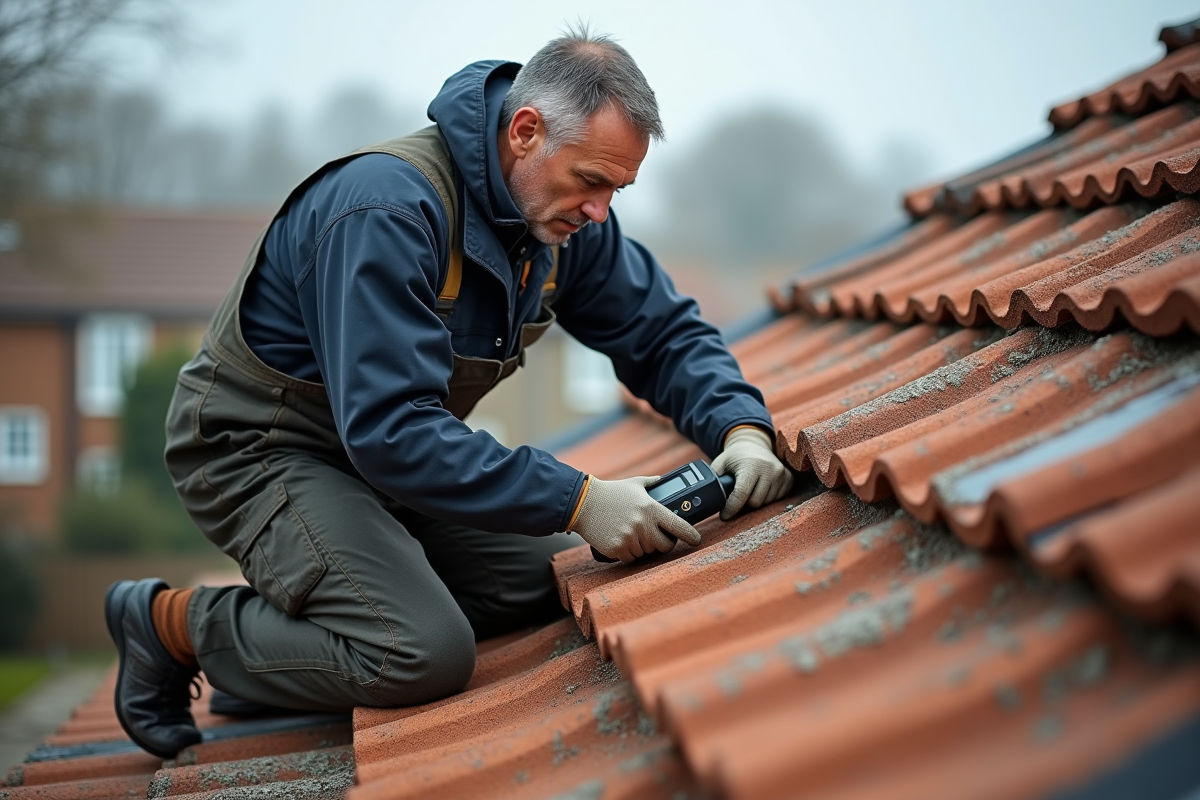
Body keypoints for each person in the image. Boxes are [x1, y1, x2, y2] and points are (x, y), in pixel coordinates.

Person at [103, 28, 794, 759]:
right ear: (525, 132)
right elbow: (393, 428)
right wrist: (581, 499)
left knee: (544, 579)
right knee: (419, 650)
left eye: (616, 191)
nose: (601, 211)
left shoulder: (560, 227)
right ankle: (171, 625)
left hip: (381, 457)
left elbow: (661, 333)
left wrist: (740, 427)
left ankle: (287, 659)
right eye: (592, 180)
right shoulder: (389, 210)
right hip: (263, 448)